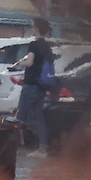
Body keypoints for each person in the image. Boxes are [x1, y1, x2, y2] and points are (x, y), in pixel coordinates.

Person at [14, 17, 55, 154]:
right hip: (41, 86)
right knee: (38, 117)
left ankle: (15, 146)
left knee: (21, 117)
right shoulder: (47, 46)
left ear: (37, 29)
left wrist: (21, 63)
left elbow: (30, 62)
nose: (31, 28)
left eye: (32, 26)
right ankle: (42, 147)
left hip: (31, 84)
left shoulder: (34, 44)